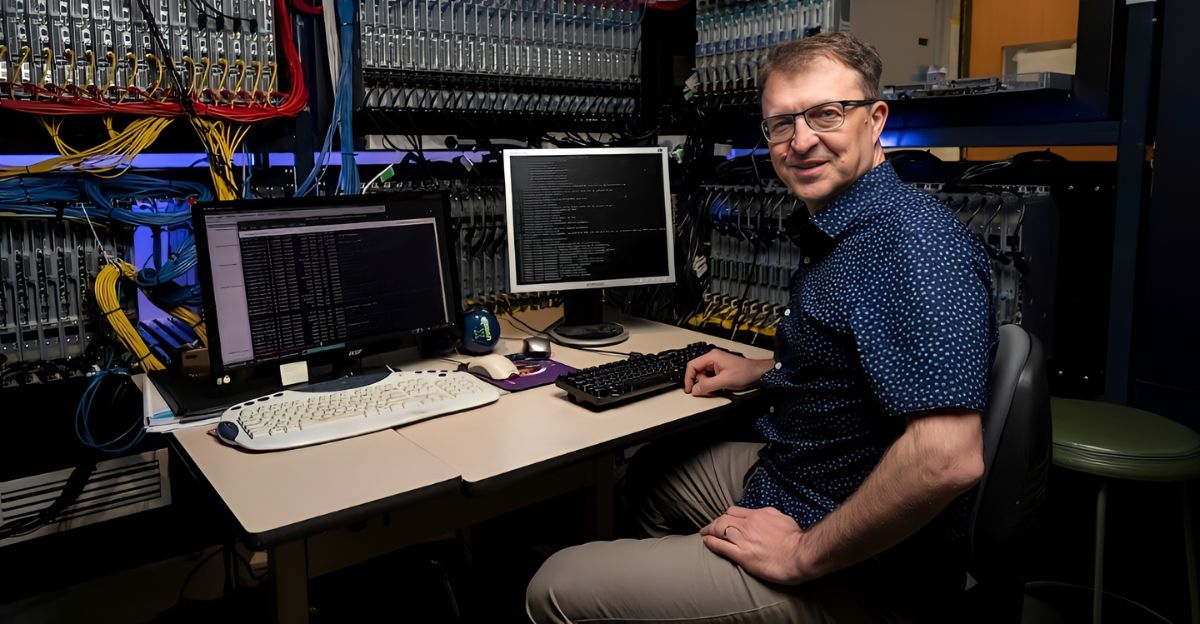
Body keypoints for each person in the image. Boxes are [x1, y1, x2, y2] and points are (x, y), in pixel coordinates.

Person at [526, 31, 997, 623]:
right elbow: (857, 356)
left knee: (553, 586)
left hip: (859, 562)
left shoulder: (911, 244)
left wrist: (801, 555)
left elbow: (947, 458)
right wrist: (762, 368)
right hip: (801, 477)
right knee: (648, 474)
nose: (801, 141)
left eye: (826, 114)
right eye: (781, 123)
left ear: (876, 119)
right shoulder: (850, 228)